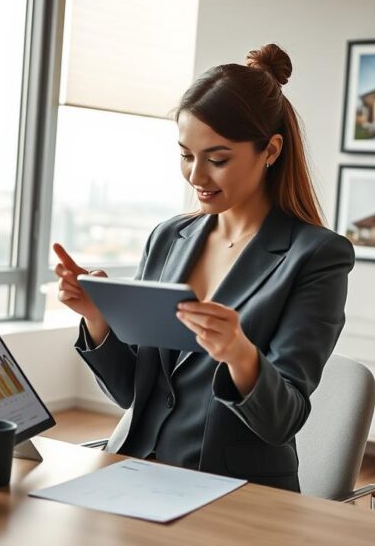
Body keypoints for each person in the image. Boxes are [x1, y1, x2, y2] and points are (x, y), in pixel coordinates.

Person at [52, 43, 355, 492]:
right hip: (137, 474)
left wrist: (239, 353)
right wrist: (97, 317)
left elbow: (284, 419)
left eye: (217, 159)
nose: (196, 176)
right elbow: (133, 396)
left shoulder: (316, 257)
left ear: (270, 151)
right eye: (185, 155)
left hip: (235, 493)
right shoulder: (168, 238)